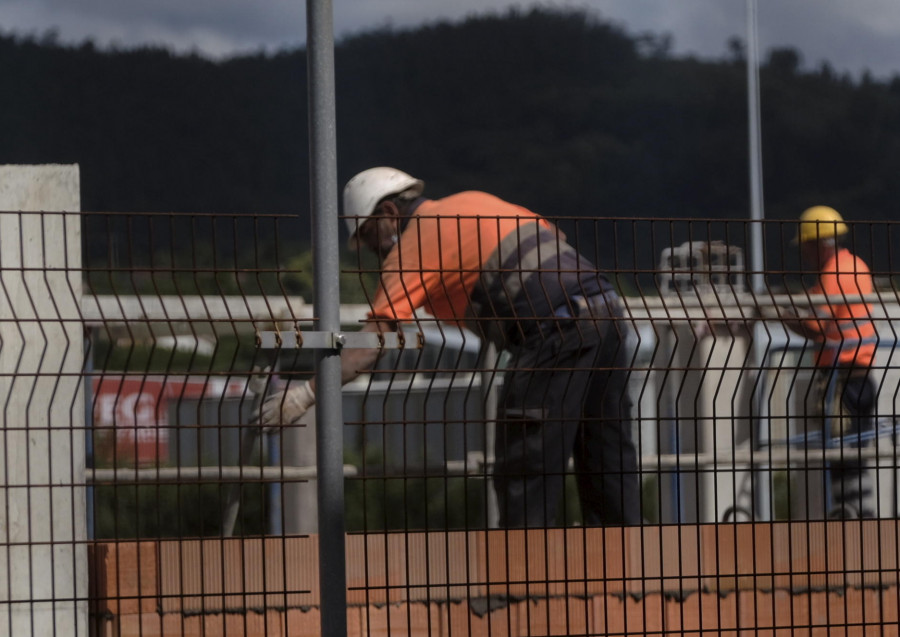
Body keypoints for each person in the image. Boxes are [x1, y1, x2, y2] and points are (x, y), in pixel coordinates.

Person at [261, 166, 642, 527]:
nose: (368, 249)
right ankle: (626, 571)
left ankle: (525, 587)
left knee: (527, 461)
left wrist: (304, 395)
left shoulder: (414, 244)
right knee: (606, 452)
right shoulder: (472, 202)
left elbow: (368, 346)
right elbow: (551, 237)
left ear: (389, 213)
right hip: (606, 314)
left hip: (554, 332)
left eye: (367, 235)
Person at [779, 205, 878, 518]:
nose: (804, 253)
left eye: (807, 246)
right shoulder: (855, 265)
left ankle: (850, 519)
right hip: (861, 375)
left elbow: (815, 327)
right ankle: (860, 516)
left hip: (843, 379)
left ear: (819, 242)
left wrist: (780, 316)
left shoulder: (834, 275)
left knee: (843, 453)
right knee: (856, 450)